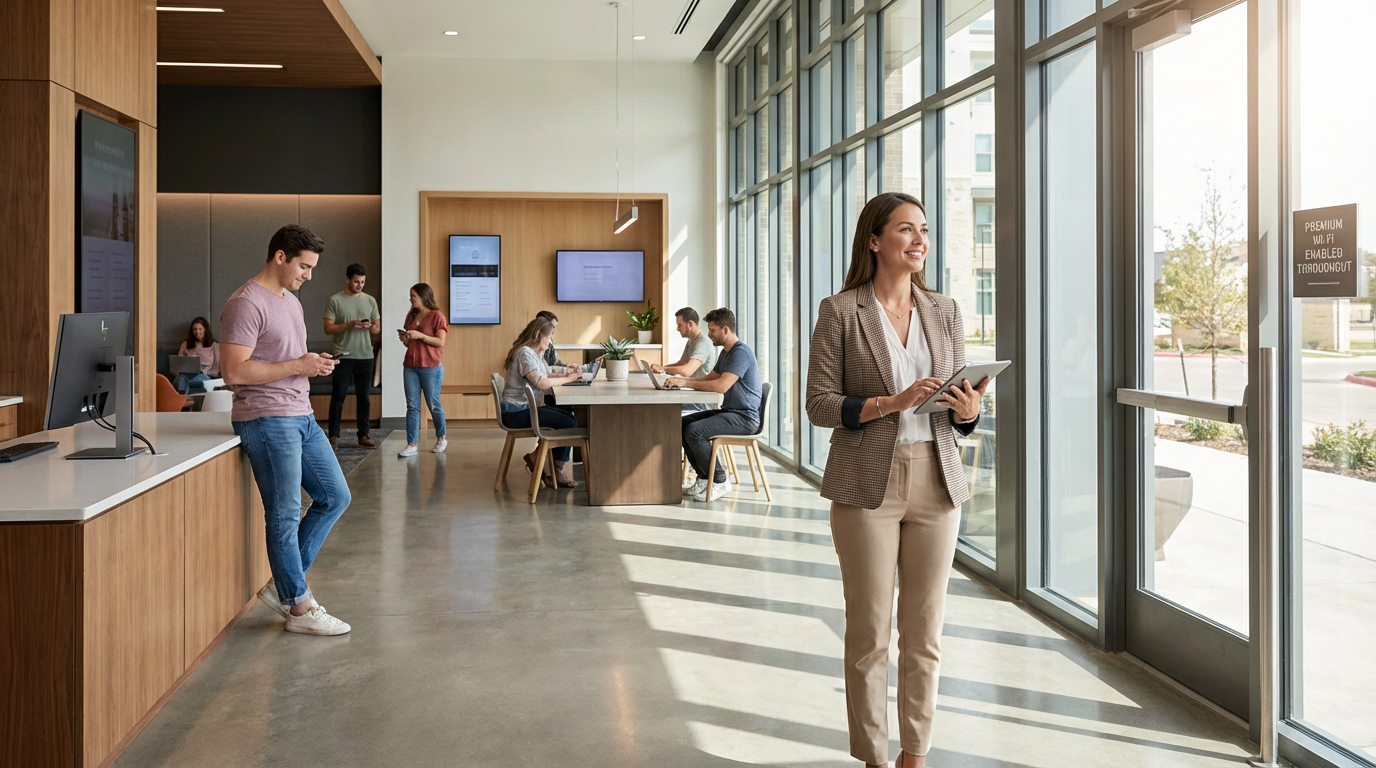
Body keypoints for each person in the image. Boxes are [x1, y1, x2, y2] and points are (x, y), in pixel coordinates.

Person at [804, 192, 987, 768]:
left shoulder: (946, 310)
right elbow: (819, 404)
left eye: (924, 230)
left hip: (937, 478)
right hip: (866, 486)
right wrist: (891, 402)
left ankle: (915, 753)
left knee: (925, 632)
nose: (919, 240)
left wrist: (967, 410)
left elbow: (964, 409)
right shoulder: (840, 311)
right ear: (874, 240)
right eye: (906, 229)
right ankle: (873, 757)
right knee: (869, 633)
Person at [220, 224, 352, 636]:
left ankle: (283, 585)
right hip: (265, 418)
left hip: (301, 414)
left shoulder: (290, 302)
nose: (309, 275)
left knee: (335, 497)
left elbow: (285, 358)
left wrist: (312, 363)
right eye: (305, 266)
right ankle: (298, 605)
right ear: (281, 257)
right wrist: (299, 365)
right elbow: (233, 370)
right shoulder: (245, 304)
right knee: (285, 511)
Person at [667, 308, 762, 502]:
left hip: (745, 418)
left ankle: (719, 480)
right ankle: (704, 476)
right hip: (731, 412)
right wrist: (682, 382)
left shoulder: (740, 352)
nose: (708, 334)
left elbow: (721, 386)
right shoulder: (726, 352)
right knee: (683, 425)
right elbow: (711, 377)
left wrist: (685, 382)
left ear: (725, 329)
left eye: (712, 330)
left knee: (694, 431)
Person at [499, 317, 585, 488]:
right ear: (539, 335)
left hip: (522, 409)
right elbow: (542, 383)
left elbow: (546, 375)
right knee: (569, 423)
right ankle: (554, 468)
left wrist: (569, 375)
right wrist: (568, 379)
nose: (551, 340)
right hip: (516, 412)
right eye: (550, 336)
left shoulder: (534, 353)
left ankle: (540, 460)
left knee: (570, 419)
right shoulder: (525, 354)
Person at [323, 264, 381, 450]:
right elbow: (328, 328)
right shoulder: (335, 300)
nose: (359, 285)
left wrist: (370, 325)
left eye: (362, 282)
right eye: (356, 281)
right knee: (338, 396)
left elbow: (377, 329)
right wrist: (349, 325)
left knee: (364, 397)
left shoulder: (370, 301)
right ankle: (334, 436)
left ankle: (363, 434)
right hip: (343, 355)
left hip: (365, 355)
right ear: (347, 279)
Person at [398, 283, 449, 457]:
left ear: (423, 296)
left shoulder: (437, 316)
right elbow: (409, 343)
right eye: (410, 295)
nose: (410, 298)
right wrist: (406, 338)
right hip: (411, 365)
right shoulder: (411, 316)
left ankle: (441, 437)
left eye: (413, 295)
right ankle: (411, 444)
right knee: (412, 405)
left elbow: (440, 342)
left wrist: (420, 335)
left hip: (431, 367)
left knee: (433, 404)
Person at [175, 317, 220, 394]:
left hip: (205, 374)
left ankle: (183, 399)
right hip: (186, 374)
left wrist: (205, 372)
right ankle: (183, 401)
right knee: (180, 380)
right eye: (195, 329)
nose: (197, 332)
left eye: (200, 329)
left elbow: (217, 366)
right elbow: (179, 364)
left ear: (205, 329)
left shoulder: (214, 346)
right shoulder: (185, 345)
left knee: (197, 380)